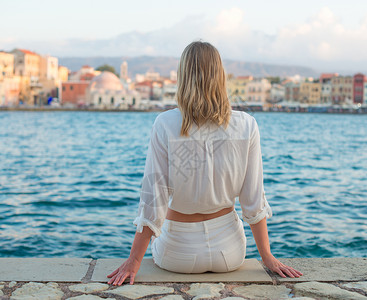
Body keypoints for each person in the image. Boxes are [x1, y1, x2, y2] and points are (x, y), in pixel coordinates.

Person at [107, 41, 303, 285]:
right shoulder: (247, 124)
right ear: (220, 76)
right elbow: (253, 200)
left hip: (177, 254)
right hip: (230, 254)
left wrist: (134, 262)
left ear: (183, 76)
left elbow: (153, 200)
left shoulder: (165, 123)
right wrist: (267, 257)